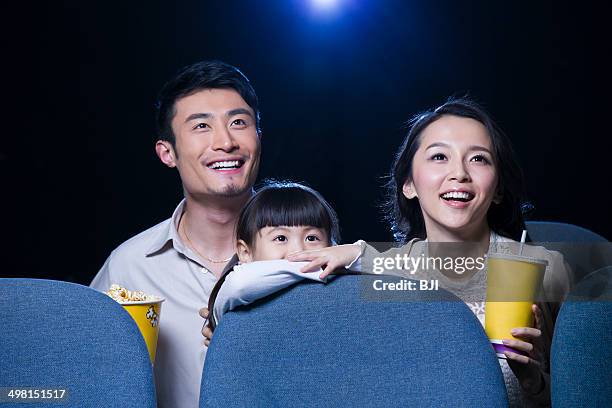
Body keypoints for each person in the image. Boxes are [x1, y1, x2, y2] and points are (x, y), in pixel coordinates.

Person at [288, 97, 572, 407]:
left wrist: (534, 382)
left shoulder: (547, 270)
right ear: (408, 184)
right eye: (439, 156)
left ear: (498, 189)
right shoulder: (381, 273)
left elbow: (586, 393)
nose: (459, 173)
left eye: (478, 159)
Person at [90, 60, 261, 408]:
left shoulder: (309, 248)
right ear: (168, 153)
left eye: (239, 122)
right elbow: (86, 373)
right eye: (201, 126)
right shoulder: (130, 265)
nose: (226, 141)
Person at [204, 180, 347, 331]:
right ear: (246, 253)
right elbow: (239, 282)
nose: (298, 251)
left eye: (311, 238)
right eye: (281, 238)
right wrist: (348, 263)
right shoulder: (237, 288)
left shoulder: (339, 289)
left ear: (330, 247)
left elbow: (374, 275)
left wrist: (353, 253)